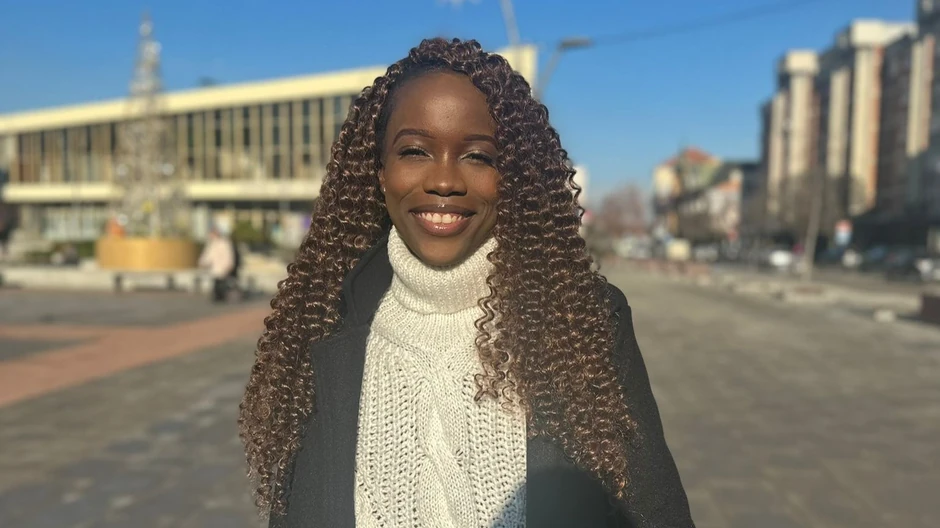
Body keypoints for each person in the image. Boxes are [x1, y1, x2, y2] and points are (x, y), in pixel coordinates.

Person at [239, 38, 694, 528]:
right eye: (415, 150)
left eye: (478, 157)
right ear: (381, 172)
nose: (444, 180)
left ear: (511, 178)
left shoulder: (583, 319)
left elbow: (655, 513)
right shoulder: (319, 323)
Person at [198, 226, 236, 303]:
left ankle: (221, 296)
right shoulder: (212, 244)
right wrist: (203, 262)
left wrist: (229, 264)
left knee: (221, 282)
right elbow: (208, 255)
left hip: (223, 266)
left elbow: (228, 255)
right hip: (215, 267)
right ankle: (218, 297)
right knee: (217, 282)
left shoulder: (224, 243)